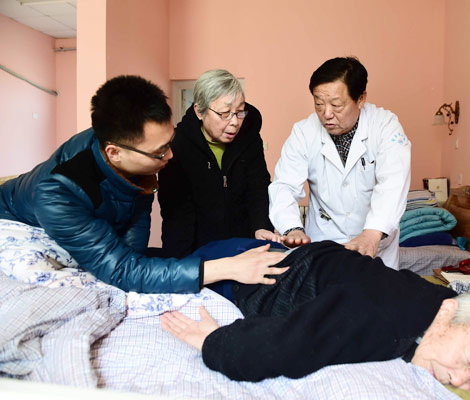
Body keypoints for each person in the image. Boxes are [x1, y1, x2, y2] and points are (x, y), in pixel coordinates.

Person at [0, 75, 287, 294]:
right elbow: (123, 270)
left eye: (169, 144)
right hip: (19, 225)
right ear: (115, 152)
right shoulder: (57, 193)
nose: (171, 157)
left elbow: (132, 249)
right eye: (160, 152)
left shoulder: (133, 151)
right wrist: (225, 268)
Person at [161, 241, 470, 389]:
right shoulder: (381, 315)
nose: (460, 378)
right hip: (249, 267)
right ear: (451, 312)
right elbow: (278, 348)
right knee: (168, 265)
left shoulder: (435, 304)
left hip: (299, 262)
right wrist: (212, 341)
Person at [268, 57, 411, 269]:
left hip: (376, 245)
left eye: (336, 105)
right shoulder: (304, 132)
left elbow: (393, 183)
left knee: (376, 298)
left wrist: (372, 233)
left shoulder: (384, 126)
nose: (326, 114)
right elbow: (284, 185)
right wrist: (292, 229)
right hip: (325, 243)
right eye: (319, 104)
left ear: (360, 99)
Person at [158, 69, 280, 258]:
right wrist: (181, 265)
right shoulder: (178, 146)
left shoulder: (249, 138)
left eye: (239, 112)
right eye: (224, 114)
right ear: (200, 111)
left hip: (245, 248)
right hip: (200, 252)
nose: (234, 123)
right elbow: (177, 214)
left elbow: (258, 187)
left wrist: (260, 226)